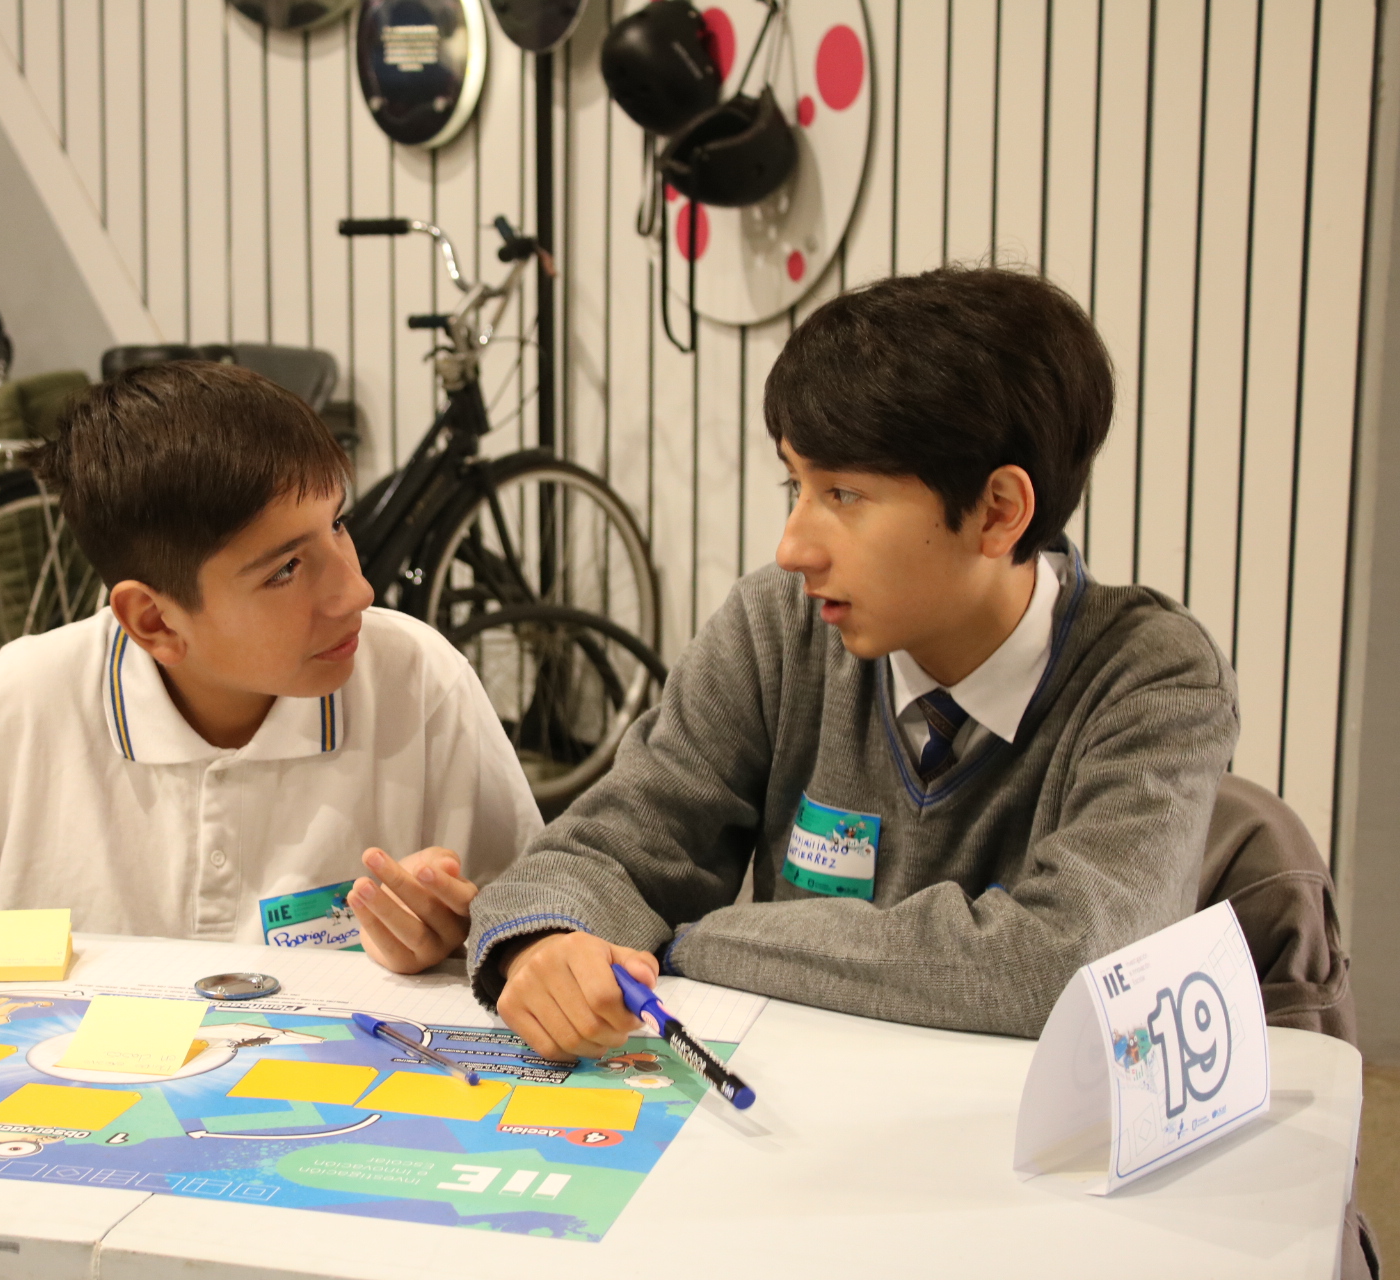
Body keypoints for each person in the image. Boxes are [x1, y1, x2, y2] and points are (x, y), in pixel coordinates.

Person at [467, 266, 1242, 1060]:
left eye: (843, 494)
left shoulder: (1153, 678)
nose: (792, 547)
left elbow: (1062, 966)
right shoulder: (779, 627)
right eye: (795, 485)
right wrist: (550, 944)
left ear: (998, 512)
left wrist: (687, 942)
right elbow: (598, 855)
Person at [0, 361, 542, 979]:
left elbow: (539, 917)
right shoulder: (20, 703)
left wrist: (466, 935)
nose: (355, 589)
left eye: (339, 526)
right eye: (286, 569)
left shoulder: (415, 680)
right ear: (153, 620)